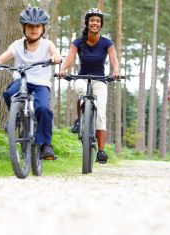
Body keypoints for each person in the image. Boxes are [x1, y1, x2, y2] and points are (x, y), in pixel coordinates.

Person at [0, 7, 63, 159]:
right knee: (10, 93)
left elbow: (56, 53)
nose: (33, 29)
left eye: (37, 26)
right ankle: (15, 117)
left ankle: (46, 144)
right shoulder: (17, 45)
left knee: (43, 108)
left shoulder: (47, 44)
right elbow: (1, 59)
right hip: (22, 79)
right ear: (23, 27)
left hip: (41, 84)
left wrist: (56, 57)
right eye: (30, 26)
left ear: (43, 28)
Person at [57, 8, 121, 164]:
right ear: (87, 23)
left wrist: (116, 71)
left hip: (100, 80)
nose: (95, 23)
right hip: (82, 78)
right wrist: (63, 70)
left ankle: (101, 151)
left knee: (101, 114)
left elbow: (114, 59)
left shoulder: (107, 43)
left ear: (101, 24)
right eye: (92, 20)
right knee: (82, 90)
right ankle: (80, 120)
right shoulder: (78, 41)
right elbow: (69, 58)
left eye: (98, 21)